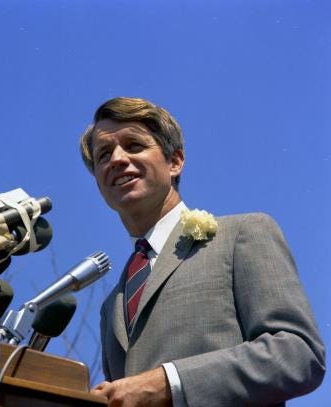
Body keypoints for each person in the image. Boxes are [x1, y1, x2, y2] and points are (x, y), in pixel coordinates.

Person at [79, 97, 325, 406]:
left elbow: (298, 354)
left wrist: (170, 383)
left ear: (175, 161)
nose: (116, 159)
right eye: (103, 154)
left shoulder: (242, 233)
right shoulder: (111, 306)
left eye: (133, 145)